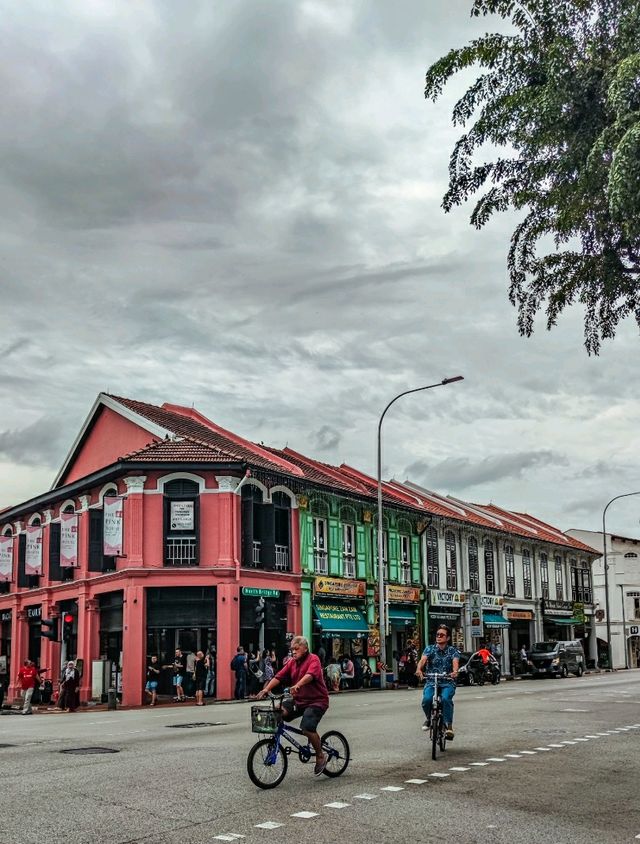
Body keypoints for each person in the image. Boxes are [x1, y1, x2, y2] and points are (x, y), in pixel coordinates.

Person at [256, 635, 330, 776]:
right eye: (292, 649)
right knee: (276, 710)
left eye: (296, 649)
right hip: (299, 700)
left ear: (305, 648)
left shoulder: (313, 659)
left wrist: (298, 684)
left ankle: (320, 755)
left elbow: (310, 675)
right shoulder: (291, 662)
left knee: (307, 728)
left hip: (317, 701)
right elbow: (278, 676)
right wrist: (266, 689)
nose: (293, 652)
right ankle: (275, 742)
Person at [415, 625, 460, 740]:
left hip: (447, 681)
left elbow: (455, 663)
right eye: (437, 635)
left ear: (448, 638)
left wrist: (455, 672)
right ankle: (428, 719)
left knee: (445, 699)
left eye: (442, 635)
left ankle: (449, 726)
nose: (439, 637)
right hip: (431, 681)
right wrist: (419, 669)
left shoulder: (452, 650)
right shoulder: (429, 649)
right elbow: (423, 660)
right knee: (427, 700)